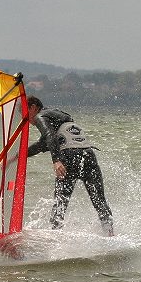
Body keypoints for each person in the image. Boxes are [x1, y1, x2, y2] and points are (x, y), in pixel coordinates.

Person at [26, 96, 114, 236]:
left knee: (60, 203)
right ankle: (110, 234)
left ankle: (55, 237)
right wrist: (19, 155)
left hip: (70, 158)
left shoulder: (40, 116)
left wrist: (57, 161)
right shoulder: (61, 117)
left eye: (23, 112)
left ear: (32, 107)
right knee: (99, 201)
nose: (23, 118)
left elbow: (49, 136)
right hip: (88, 156)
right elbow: (45, 143)